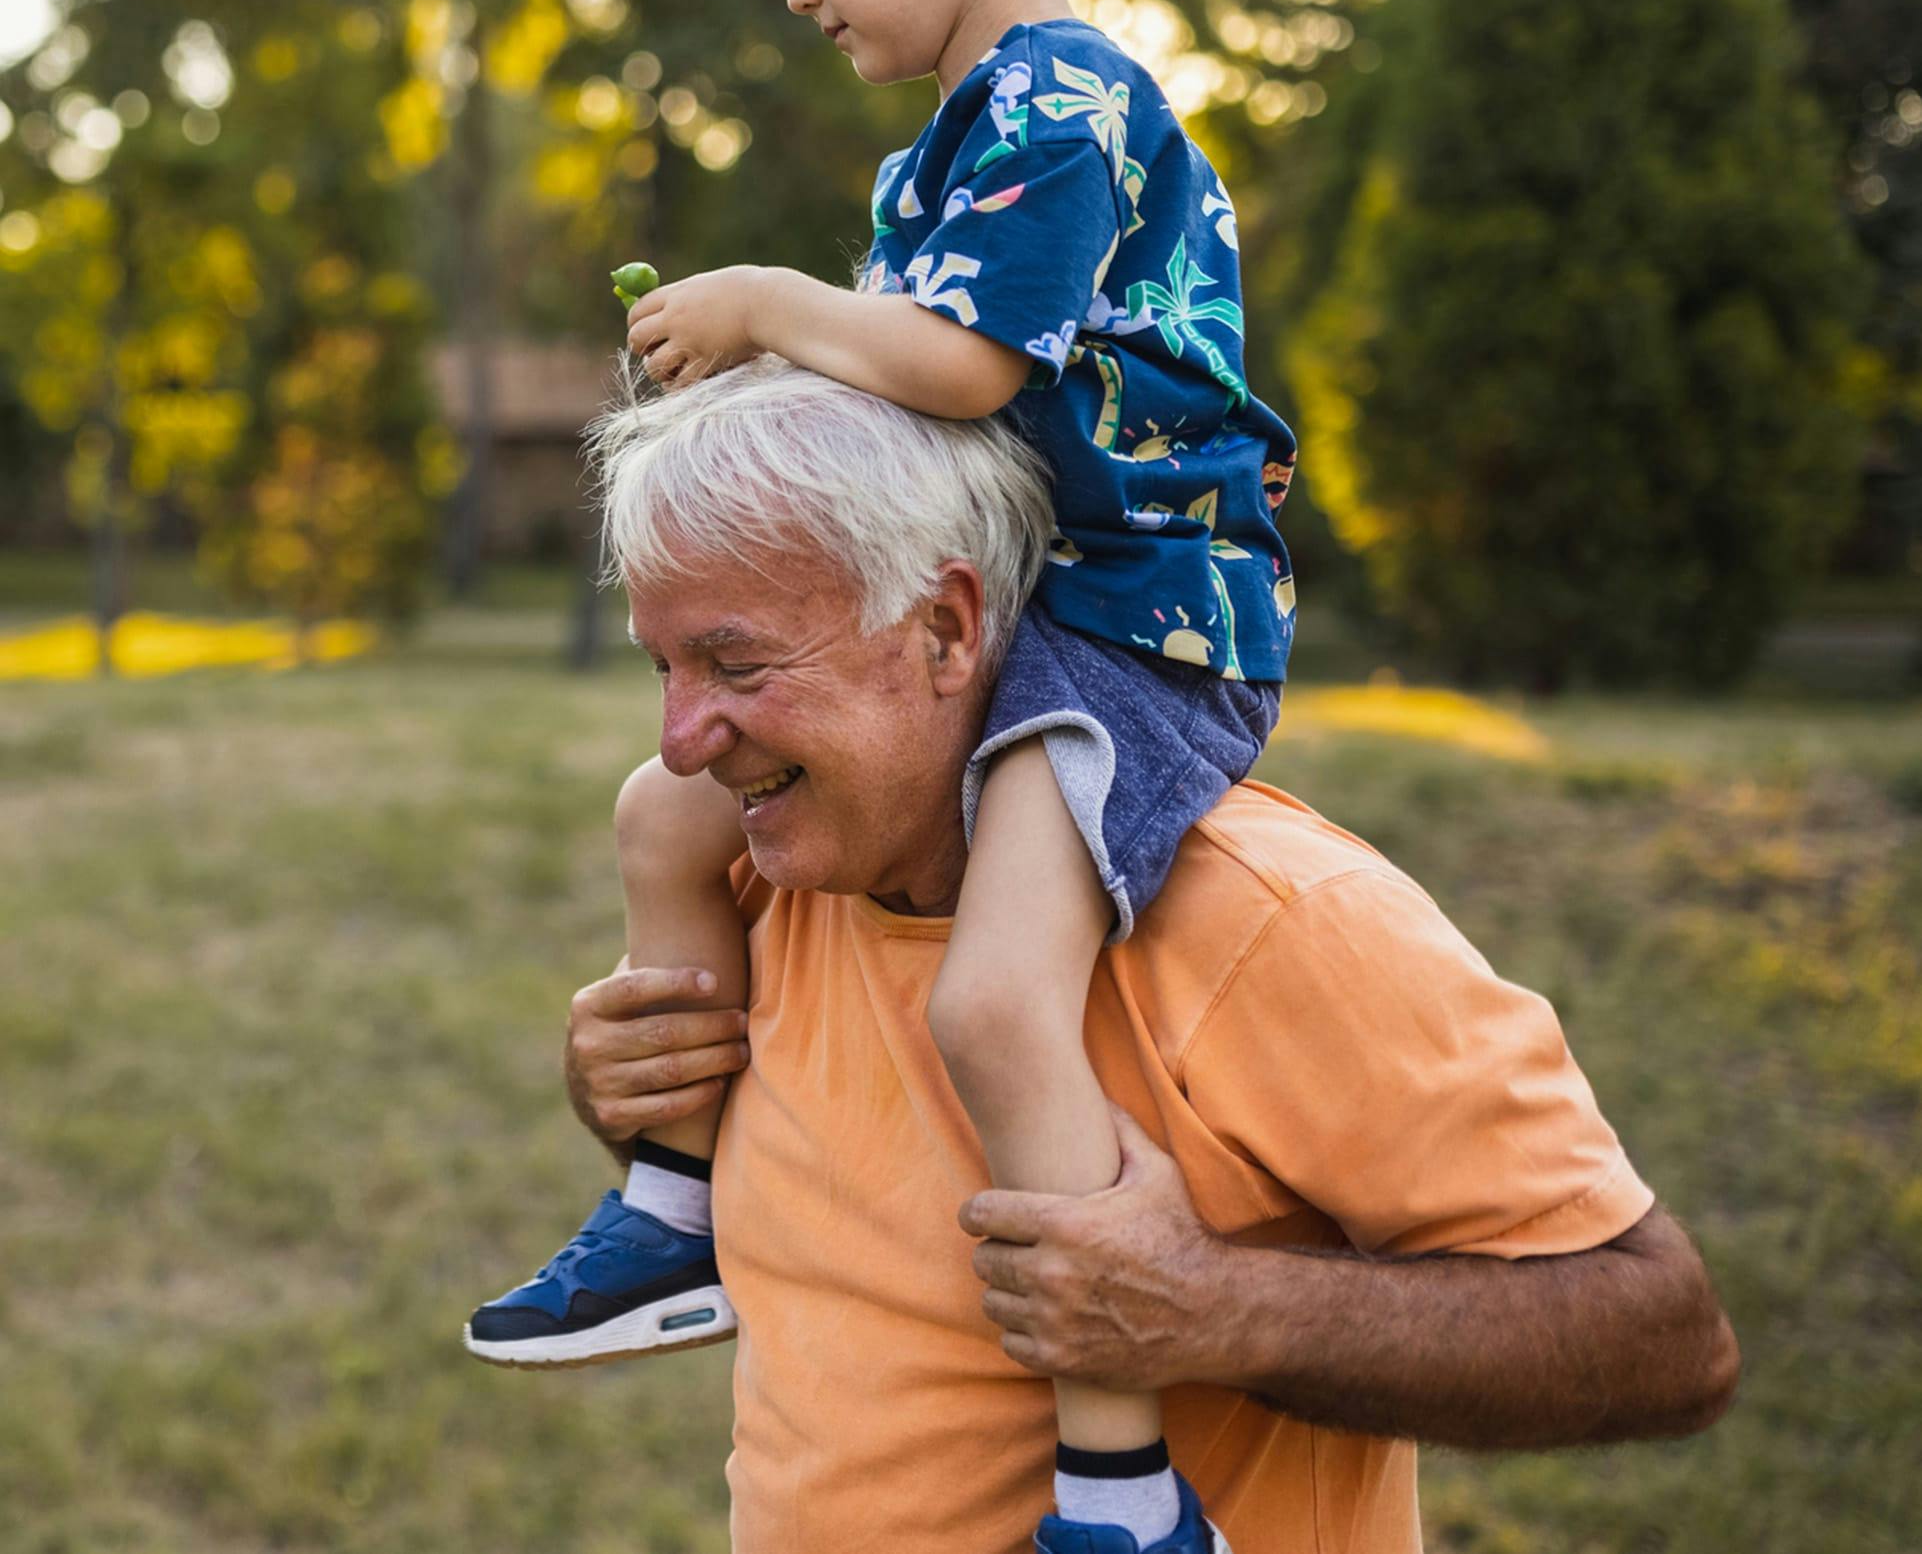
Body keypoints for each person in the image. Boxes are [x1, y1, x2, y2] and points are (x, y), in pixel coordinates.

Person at [468, 0, 1301, 1550]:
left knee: (998, 1002)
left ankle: (1119, 1484)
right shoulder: (950, 145)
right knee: (664, 811)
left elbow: (962, 367)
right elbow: (897, 415)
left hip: (1137, 626)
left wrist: (766, 304)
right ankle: (672, 1201)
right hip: (999, 595)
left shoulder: (1065, 101)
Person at [556, 359, 1738, 1554]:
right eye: (663, 666)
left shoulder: (1271, 917)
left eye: (738, 665)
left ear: (944, 628)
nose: (681, 740)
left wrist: (1217, 1310)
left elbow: (1661, 1337)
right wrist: (650, 1112)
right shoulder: (766, 886)